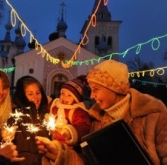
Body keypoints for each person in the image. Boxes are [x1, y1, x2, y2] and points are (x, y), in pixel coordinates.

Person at [35, 60, 167, 165]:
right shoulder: (97, 120)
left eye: (96, 89)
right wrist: (60, 155)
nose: (92, 96)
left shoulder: (154, 115)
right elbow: (88, 160)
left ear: (113, 87)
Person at [4, 76, 50, 165]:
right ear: (22, 96)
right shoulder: (17, 118)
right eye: (30, 94)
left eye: (38, 93)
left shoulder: (44, 116)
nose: (36, 97)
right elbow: (20, 154)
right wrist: (44, 161)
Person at [48, 78, 91, 146]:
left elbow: (83, 125)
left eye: (69, 95)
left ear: (76, 98)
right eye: (63, 94)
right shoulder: (56, 105)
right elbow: (48, 107)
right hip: (54, 139)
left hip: (69, 145)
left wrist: (70, 132)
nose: (64, 97)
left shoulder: (77, 111)